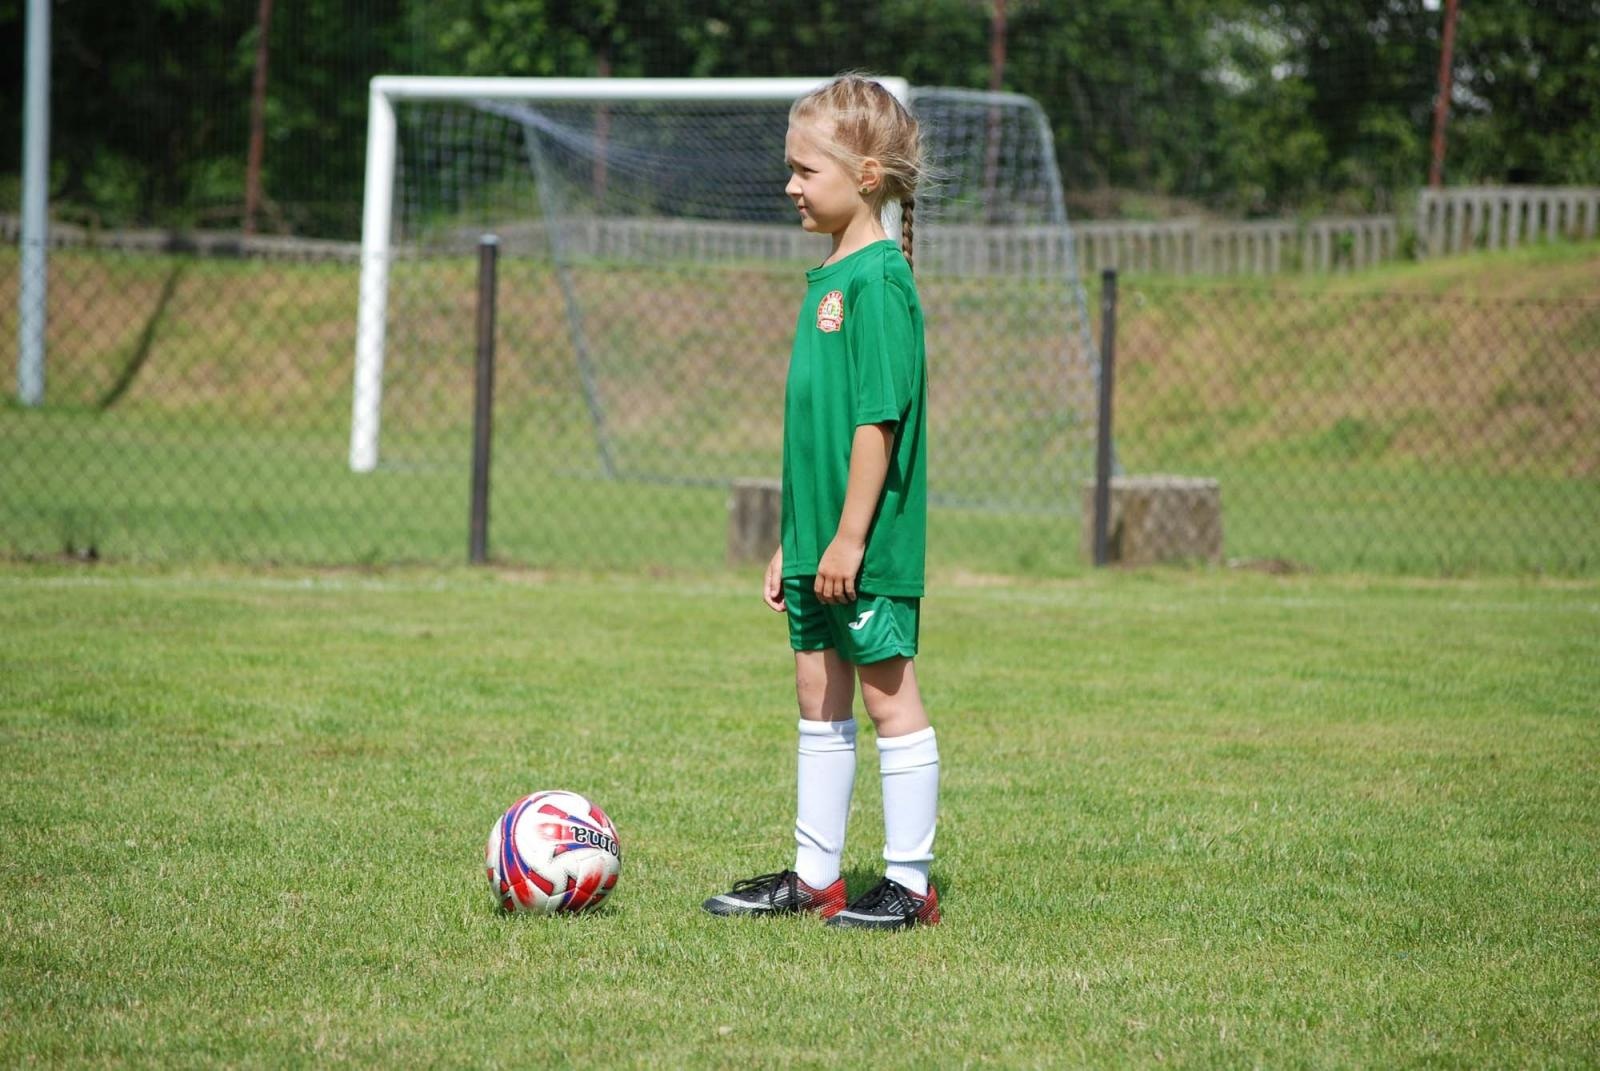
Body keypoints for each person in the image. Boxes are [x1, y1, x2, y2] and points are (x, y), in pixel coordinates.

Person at [702, 74, 939, 930]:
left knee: (885, 695)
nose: (790, 186)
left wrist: (847, 539)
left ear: (867, 175)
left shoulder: (881, 280)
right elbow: (819, 432)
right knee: (816, 690)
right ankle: (815, 876)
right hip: (820, 539)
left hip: (864, 542)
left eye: (807, 170)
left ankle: (910, 884)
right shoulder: (830, 275)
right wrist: (795, 541)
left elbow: (878, 422)